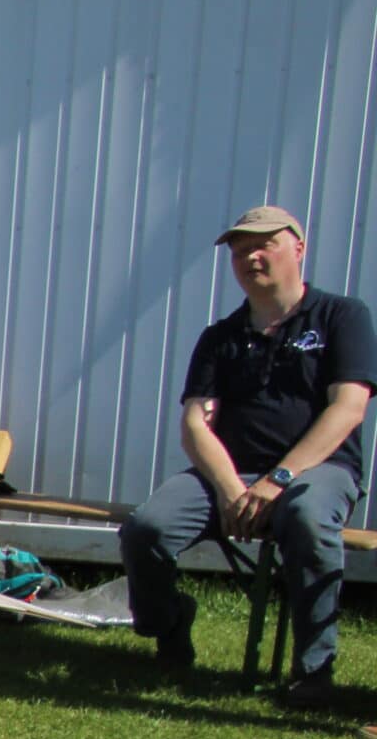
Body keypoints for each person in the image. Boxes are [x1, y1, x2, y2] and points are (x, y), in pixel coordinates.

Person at [120, 205, 374, 707]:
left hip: (317, 473)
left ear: (298, 249)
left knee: (305, 516)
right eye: (239, 250)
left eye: (264, 245)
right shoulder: (220, 337)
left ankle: (314, 671)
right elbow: (196, 423)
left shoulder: (342, 317)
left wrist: (278, 479)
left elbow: (348, 409)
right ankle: (169, 624)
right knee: (146, 527)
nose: (249, 256)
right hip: (232, 478)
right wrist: (231, 487)